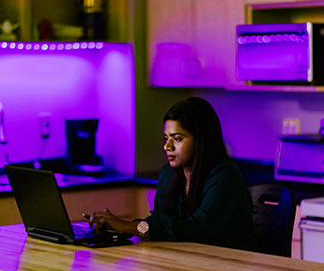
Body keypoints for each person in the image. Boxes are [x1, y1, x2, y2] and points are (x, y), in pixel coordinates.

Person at [83, 97, 258, 251]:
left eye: (178, 138)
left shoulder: (225, 175)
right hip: (191, 262)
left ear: (201, 141)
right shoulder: (169, 173)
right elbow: (161, 221)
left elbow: (199, 229)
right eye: (166, 138)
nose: (167, 146)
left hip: (228, 269)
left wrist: (130, 227)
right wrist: (117, 228)